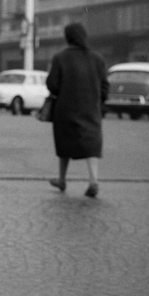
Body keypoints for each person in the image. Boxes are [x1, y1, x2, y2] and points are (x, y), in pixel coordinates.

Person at [45, 22, 109, 198]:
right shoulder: (97, 59)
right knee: (91, 143)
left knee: (64, 143)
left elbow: (52, 84)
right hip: (91, 108)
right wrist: (98, 101)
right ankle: (93, 180)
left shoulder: (60, 58)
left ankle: (62, 179)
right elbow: (105, 86)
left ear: (67, 38)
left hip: (65, 108)